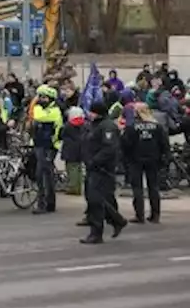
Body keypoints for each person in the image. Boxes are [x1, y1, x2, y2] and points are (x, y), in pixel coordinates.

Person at [82, 102, 128, 244]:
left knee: (95, 199)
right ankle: (117, 220)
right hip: (93, 168)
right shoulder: (96, 125)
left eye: (92, 112)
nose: (89, 114)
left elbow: (109, 148)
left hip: (102, 168)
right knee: (93, 198)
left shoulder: (108, 126)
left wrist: (95, 160)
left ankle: (96, 233)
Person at [123, 102, 170, 224]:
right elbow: (164, 144)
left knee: (137, 188)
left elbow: (126, 144)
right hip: (153, 159)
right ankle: (155, 215)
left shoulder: (132, 127)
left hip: (136, 160)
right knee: (153, 187)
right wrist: (164, 157)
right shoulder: (157, 127)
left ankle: (140, 215)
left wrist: (126, 158)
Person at [30, 85, 63, 214]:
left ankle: (44, 204)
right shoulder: (46, 109)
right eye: (40, 96)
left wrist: (36, 105)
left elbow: (39, 116)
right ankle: (49, 203)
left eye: (43, 97)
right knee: (43, 175)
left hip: (49, 147)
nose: (40, 99)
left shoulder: (54, 111)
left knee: (43, 175)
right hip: (40, 145)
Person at [61, 107, 86, 196]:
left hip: (70, 150)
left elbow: (62, 135)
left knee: (71, 168)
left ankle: (72, 187)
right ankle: (78, 187)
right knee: (78, 169)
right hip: (80, 149)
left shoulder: (68, 125)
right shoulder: (84, 124)